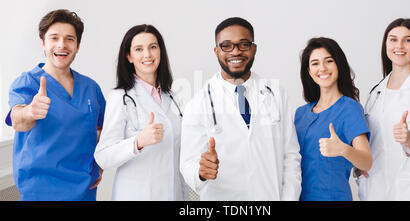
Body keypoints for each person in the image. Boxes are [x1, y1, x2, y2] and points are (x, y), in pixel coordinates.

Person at [179, 17, 301, 201]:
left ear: (254, 48)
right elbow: (187, 164)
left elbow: (291, 156)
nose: (235, 51)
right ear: (216, 51)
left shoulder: (276, 94)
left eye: (244, 44)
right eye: (226, 45)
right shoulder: (198, 103)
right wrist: (201, 172)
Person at [5, 9, 105, 201]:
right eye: (54, 38)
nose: (62, 45)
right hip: (40, 191)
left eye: (69, 39)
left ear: (77, 46)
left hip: (84, 190)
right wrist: (29, 112)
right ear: (43, 43)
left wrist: (100, 163)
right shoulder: (28, 82)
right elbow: (17, 120)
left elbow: (104, 129)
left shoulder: (90, 87)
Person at [94, 24, 187, 200]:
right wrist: (138, 142)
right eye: (138, 49)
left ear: (160, 51)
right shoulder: (119, 97)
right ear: (129, 56)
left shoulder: (172, 97)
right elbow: (103, 156)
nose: (147, 55)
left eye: (153, 47)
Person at [356, 18, 410, 201]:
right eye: (393, 39)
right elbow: (370, 140)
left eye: (408, 40)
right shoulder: (376, 92)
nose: (399, 46)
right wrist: (359, 163)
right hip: (373, 187)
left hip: (408, 190)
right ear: (386, 45)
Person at [294, 37, 372, 201]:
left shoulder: (350, 109)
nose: (322, 68)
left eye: (328, 61)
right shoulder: (300, 114)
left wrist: (343, 149)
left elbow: (366, 162)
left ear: (339, 65)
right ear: (309, 71)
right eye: (315, 63)